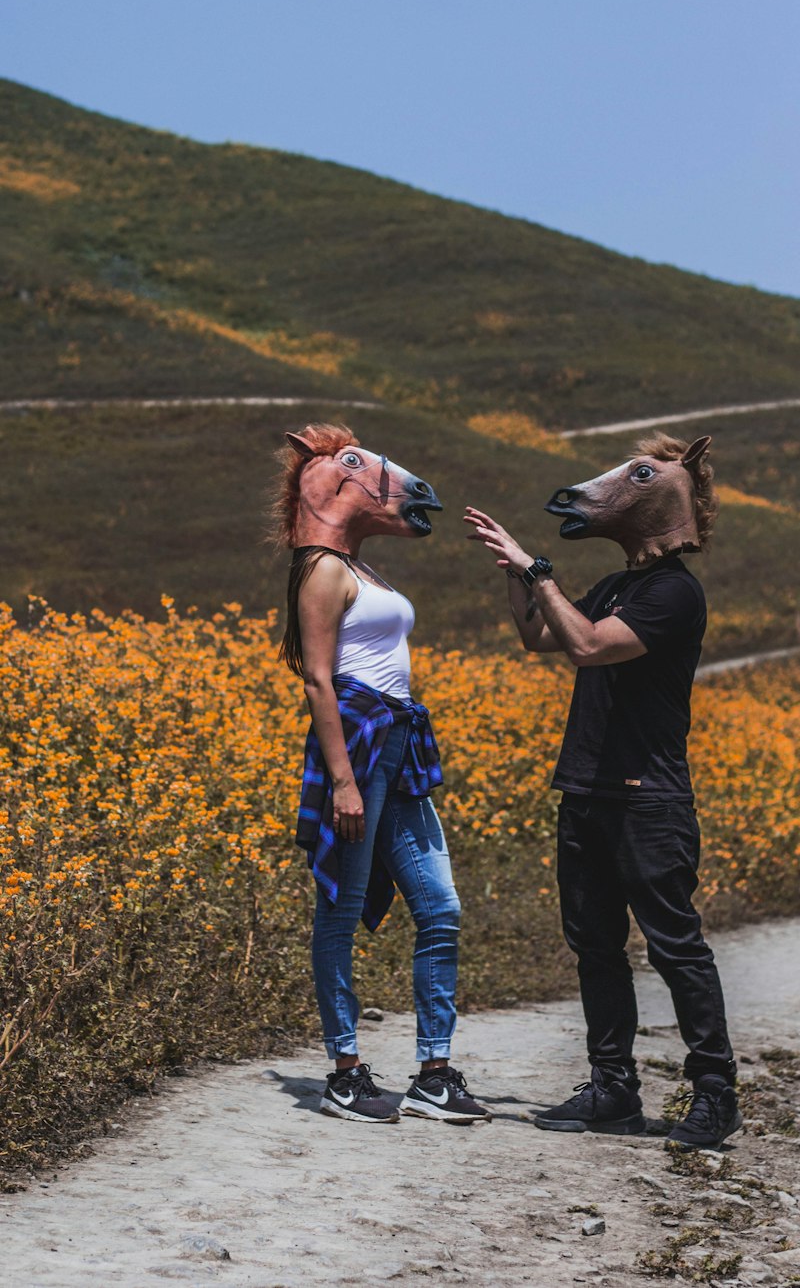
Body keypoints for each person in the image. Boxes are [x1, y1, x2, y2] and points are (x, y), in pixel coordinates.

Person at [465, 432, 741, 1149]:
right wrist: (516, 573)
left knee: (676, 948)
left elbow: (588, 645)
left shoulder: (674, 591)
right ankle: (612, 1087)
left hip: (649, 800)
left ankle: (716, 1093)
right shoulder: (619, 585)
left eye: (638, 477)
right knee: (595, 947)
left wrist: (542, 571)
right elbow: (541, 638)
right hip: (587, 792)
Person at [277, 422, 489, 1126]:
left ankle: (434, 1071)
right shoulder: (323, 568)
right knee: (338, 913)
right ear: (334, 481)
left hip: (399, 749)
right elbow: (316, 679)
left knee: (442, 908)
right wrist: (341, 779)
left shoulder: (361, 567)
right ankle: (344, 1071)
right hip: (360, 751)